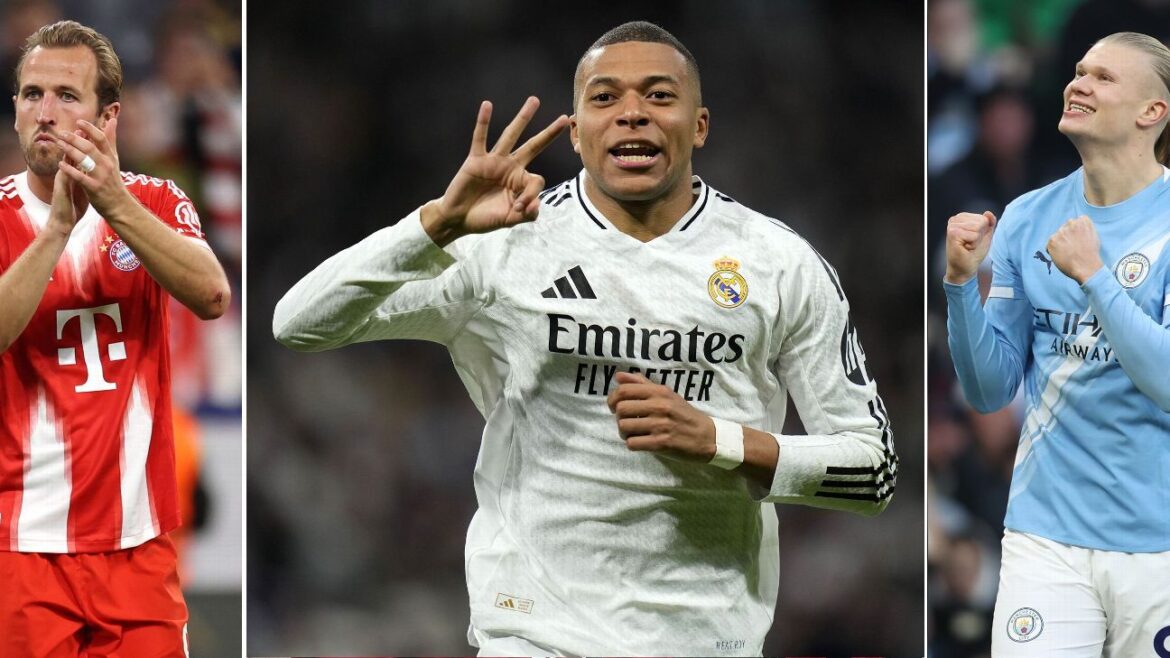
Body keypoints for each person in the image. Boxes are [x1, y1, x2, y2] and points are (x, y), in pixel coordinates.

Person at [275, 21, 896, 656]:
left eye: (659, 95)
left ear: (700, 125)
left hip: (706, 640)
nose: (632, 113)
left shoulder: (780, 264)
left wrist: (720, 441)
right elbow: (298, 324)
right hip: (536, 635)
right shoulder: (505, 245)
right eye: (605, 97)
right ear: (575, 132)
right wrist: (434, 225)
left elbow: (873, 472)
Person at [0, 20, 230, 657]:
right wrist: (55, 232)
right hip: (22, 547)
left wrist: (114, 204)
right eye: (31, 94)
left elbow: (212, 296)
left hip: (139, 547)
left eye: (66, 96)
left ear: (108, 117)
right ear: (15, 108)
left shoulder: (155, 201)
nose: (45, 113)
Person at [943, 31, 1170, 658]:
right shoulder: (1026, 216)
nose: (1078, 84)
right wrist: (960, 285)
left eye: (1103, 77)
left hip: (1158, 542)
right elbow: (990, 392)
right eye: (1078, 71)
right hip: (1045, 535)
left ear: (1153, 111)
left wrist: (1095, 276)